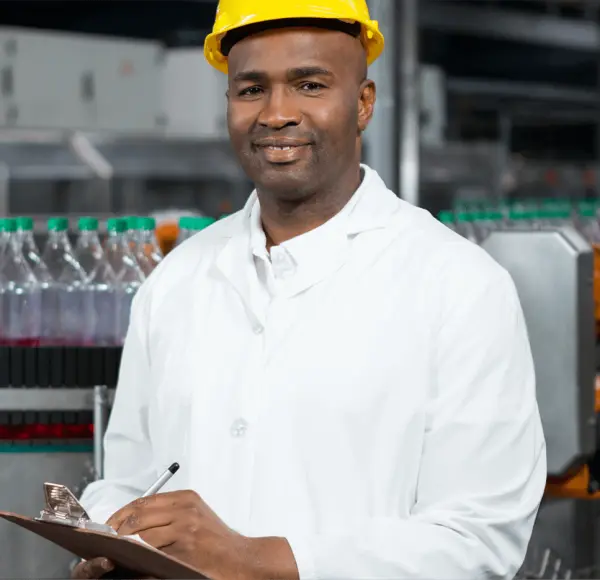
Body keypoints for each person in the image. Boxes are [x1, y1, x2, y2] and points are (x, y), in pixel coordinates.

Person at [73, 0, 546, 578]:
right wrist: (110, 539)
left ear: (363, 102)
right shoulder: (177, 279)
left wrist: (256, 560)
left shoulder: (460, 287)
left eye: (310, 85)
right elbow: (129, 478)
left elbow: (477, 538)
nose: (277, 113)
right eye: (251, 90)